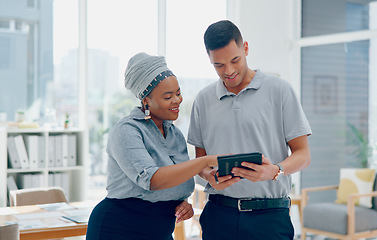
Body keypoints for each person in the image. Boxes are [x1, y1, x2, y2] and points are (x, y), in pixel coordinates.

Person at [187, 20, 312, 239]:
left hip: (269, 217)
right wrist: (209, 175)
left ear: (245, 48)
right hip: (218, 215)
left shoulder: (280, 91)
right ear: (209, 60)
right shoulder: (203, 100)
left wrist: (275, 170)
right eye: (219, 65)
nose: (229, 71)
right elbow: (200, 161)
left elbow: (303, 155)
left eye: (235, 60)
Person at [86, 53, 218, 240]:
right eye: (168, 96)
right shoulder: (126, 131)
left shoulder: (174, 134)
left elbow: (177, 181)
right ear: (146, 100)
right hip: (118, 230)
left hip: (159, 232)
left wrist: (183, 203)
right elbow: (153, 180)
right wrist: (204, 161)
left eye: (178, 93)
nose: (177, 101)